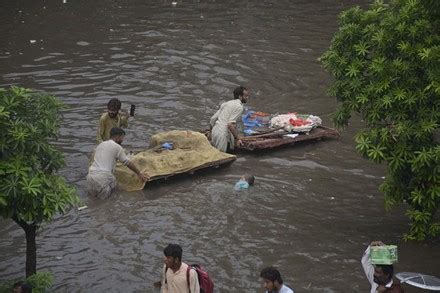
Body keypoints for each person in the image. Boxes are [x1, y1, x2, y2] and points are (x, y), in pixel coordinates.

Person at [87, 127, 149, 199]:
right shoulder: (117, 147)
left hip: (90, 176)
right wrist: (139, 173)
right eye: (122, 138)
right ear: (117, 136)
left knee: (93, 200)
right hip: (103, 177)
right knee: (110, 200)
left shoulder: (100, 145)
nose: (122, 140)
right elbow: (127, 162)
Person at [209, 86, 250, 152]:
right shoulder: (239, 107)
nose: (247, 98)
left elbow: (212, 119)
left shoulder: (226, 103)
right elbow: (230, 125)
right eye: (246, 96)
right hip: (222, 135)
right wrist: (238, 138)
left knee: (213, 154)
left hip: (215, 131)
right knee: (220, 157)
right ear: (240, 96)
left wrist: (210, 132)